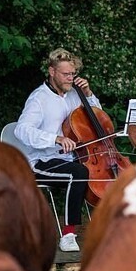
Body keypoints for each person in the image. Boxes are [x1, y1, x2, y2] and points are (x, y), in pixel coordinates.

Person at [14, 48, 99, 253]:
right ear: (52, 72)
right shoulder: (39, 99)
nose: (71, 78)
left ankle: (105, 228)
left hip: (70, 157)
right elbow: (21, 130)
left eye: (73, 74)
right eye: (66, 74)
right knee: (78, 174)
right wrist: (55, 139)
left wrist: (88, 94)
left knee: (101, 173)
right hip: (40, 161)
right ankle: (68, 235)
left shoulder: (74, 95)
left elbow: (97, 117)